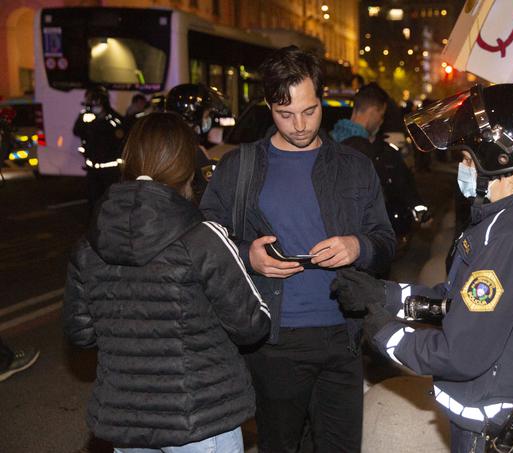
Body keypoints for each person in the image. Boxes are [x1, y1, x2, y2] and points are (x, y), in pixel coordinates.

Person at [331, 83, 513, 453]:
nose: (462, 167)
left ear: (499, 160)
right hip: (503, 415)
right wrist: (386, 294)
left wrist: (385, 334)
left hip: (494, 430)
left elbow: (462, 353)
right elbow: (461, 300)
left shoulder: (511, 239)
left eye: (467, 158)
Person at [200, 46, 396, 452]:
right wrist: (247, 256)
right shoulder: (240, 167)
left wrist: (357, 245)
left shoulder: (354, 166)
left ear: (322, 99)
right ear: (269, 106)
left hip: (342, 338)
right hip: (274, 341)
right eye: (285, 114)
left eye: (309, 110)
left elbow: (385, 242)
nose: (300, 124)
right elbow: (205, 243)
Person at [63, 112, 271, 452]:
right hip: (202, 420)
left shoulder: (89, 243)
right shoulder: (203, 238)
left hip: (127, 419)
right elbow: (251, 324)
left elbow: (81, 333)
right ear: (186, 165)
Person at [330, 82, 429, 250]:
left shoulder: (329, 141)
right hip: (363, 242)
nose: (381, 121)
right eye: (381, 115)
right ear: (373, 111)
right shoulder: (368, 153)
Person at [165, 83, 228, 201]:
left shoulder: (167, 141)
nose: (208, 119)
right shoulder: (190, 149)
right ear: (194, 114)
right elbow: (211, 186)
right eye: (207, 114)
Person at [72, 85, 126, 210]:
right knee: (94, 203)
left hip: (110, 171)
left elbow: (121, 135)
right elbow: (77, 131)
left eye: (93, 99)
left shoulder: (114, 119)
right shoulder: (88, 117)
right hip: (92, 170)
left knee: (111, 203)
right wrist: (86, 116)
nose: (91, 102)